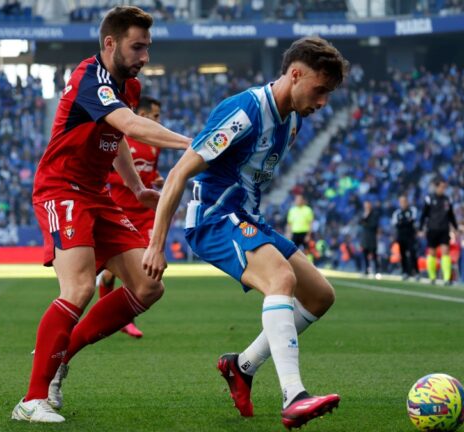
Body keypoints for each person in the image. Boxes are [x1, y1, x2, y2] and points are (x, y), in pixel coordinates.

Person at [142, 36, 347, 429]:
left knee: (320, 295)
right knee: (281, 279)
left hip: (248, 218)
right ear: (295, 74)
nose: (323, 102)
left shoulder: (294, 121)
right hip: (215, 218)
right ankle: (294, 396)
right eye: (320, 90)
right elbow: (179, 173)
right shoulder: (244, 112)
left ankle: (242, 366)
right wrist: (156, 245)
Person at [11, 6, 191, 423]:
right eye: (137, 46)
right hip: (61, 188)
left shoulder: (129, 85)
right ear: (110, 43)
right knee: (78, 288)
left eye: (148, 47)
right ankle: (31, 400)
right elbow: (132, 125)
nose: (144, 56)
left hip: (97, 194)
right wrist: (198, 144)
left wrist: (135, 187)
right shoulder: (90, 78)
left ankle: (60, 356)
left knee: (148, 286)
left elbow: (117, 135)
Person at [96, 96, 165, 339]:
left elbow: (151, 171)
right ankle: (118, 319)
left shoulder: (154, 145)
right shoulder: (120, 140)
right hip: (121, 211)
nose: (159, 120)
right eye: (156, 116)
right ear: (143, 116)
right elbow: (108, 175)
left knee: (149, 268)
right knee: (110, 273)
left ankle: (125, 317)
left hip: (144, 215)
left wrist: (155, 180)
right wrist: (133, 182)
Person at [419, 179, 458, 285]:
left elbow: (451, 215)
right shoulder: (429, 198)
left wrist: (455, 227)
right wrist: (420, 228)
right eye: (441, 187)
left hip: (444, 229)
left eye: (444, 187)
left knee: (445, 251)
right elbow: (424, 215)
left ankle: (446, 278)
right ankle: (432, 277)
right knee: (432, 252)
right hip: (432, 229)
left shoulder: (447, 199)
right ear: (436, 187)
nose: (443, 189)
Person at [392, 195, 418, 280]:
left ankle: (415, 272)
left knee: (412, 253)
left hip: (410, 236)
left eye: (404, 201)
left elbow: (412, 221)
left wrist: (402, 222)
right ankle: (405, 272)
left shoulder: (412, 210)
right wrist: (406, 221)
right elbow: (396, 224)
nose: (403, 203)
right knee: (402, 255)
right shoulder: (397, 213)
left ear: (407, 202)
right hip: (401, 236)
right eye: (401, 202)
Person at [360, 200, 379, 276]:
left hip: (372, 237)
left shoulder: (374, 214)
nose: (366, 207)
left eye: (367, 205)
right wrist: (365, 222)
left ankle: (376, 271)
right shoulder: (363, 214)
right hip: (365, 237)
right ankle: (366, 270)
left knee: (374, 254)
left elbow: (373, 225)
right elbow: (360, 222)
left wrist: (365, 223)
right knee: (365, 254)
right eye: (365, 205)